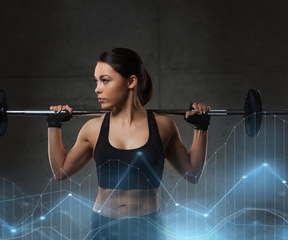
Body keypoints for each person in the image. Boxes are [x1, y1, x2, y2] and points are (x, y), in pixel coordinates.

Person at [47, 48, 211, 240]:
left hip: (148, 227)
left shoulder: (162, 126)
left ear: (131, 81)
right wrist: (53, 125)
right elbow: (60, 172)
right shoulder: (93, 128)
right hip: (103, 226)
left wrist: (201, 127)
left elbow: (192, 174)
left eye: (105, 80)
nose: (97, 88)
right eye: (96, 81)